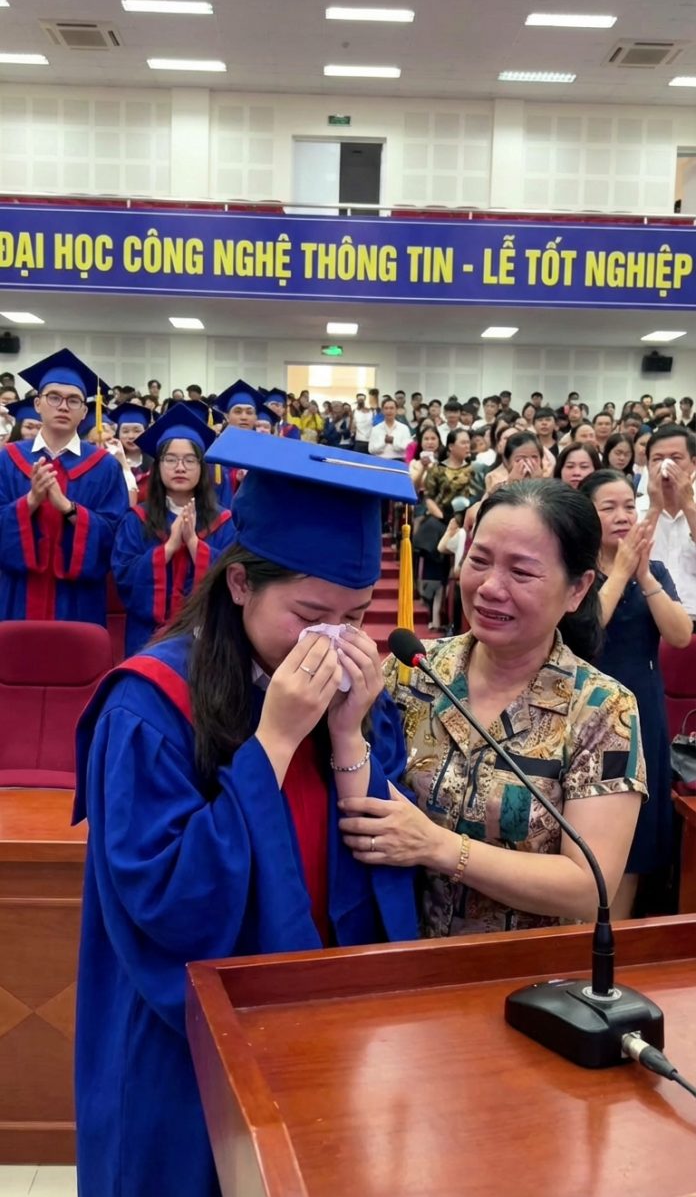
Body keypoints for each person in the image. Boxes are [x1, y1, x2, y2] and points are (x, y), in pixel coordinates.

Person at [73, 431, 418, 1197]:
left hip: (318, 1029)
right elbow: (169, 899)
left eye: (356, 614)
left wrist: (348, 735)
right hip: (181, 1051)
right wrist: (274, 742)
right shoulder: (150, 705)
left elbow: (380, 876)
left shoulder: (356, 698)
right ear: (239, 584)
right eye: (311, 612)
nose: (334, 640)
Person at [338, 478, 646, 936]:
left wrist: (439, 847)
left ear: (578, 589)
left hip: (521, 967)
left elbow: (588, 886)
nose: (489, 587)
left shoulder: (602, 709)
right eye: (479, 561)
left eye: (521, 573)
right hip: (398, 949)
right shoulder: (412, 671)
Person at [580, 470, 692, 917]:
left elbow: (680, 635)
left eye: (630, 506)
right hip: (588, 708)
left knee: (636, 830)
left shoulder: (655, 570)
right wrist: (621, 571)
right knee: (591, 819)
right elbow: (586, 636)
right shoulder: (576, 572)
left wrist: (643, 575)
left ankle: (617, 935)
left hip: (642, 709)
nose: (623, 516)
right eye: (609, 508)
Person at [0, 349, 128, 624]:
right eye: (54, 397)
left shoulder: (105, 466)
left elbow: (116, 535)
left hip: (78, 598)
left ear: (84, 412)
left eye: (73, 400)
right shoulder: (7, 460)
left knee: (74, 651)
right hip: (16, 593)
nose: (63, 406)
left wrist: (68, 508)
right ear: (37, 404)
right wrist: (30, 501)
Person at [111, 407, 236, 657]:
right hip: (146, 636)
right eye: (170, 459)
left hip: (208, 636)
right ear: (158, 466)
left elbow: (235, 580)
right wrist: (168, 549)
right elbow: (123, 577)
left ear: (202, 467)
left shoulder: (224, 522)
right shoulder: (136, 520)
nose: (180, 467)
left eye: (190, 460)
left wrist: (194, 544)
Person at [637, 424, 696, 625]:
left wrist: (688, 505)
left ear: (693, 463)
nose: (666, 466)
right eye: (658, 459)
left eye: (675, 459)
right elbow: (629, 560)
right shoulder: (634, 508)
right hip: (646, 618)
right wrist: (654, 507)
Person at [424, 429, 474, 522]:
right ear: (451, 446)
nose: (467, 446)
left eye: (468, 442)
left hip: (468, 517)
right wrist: (442, 518)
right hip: (441, 517)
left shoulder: (473, 469)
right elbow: (428, 498)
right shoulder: (437, 469)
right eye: (463, 443)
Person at [109, 401, 153, 501]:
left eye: (137, 431)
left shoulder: (155, 462)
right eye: (125, 431)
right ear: (118, 434)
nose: (131, 436)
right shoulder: (111, 461)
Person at [368, 397, 411, 462]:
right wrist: (384, 442)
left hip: (399, 462)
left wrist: (393, 441)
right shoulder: (375, 429)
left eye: (391, 408)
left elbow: (408, 447)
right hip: (380, 461)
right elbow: (371, 450)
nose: (389, 411)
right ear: (382, 411)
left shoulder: (404, 428)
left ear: (396, 410)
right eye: (386, 408)